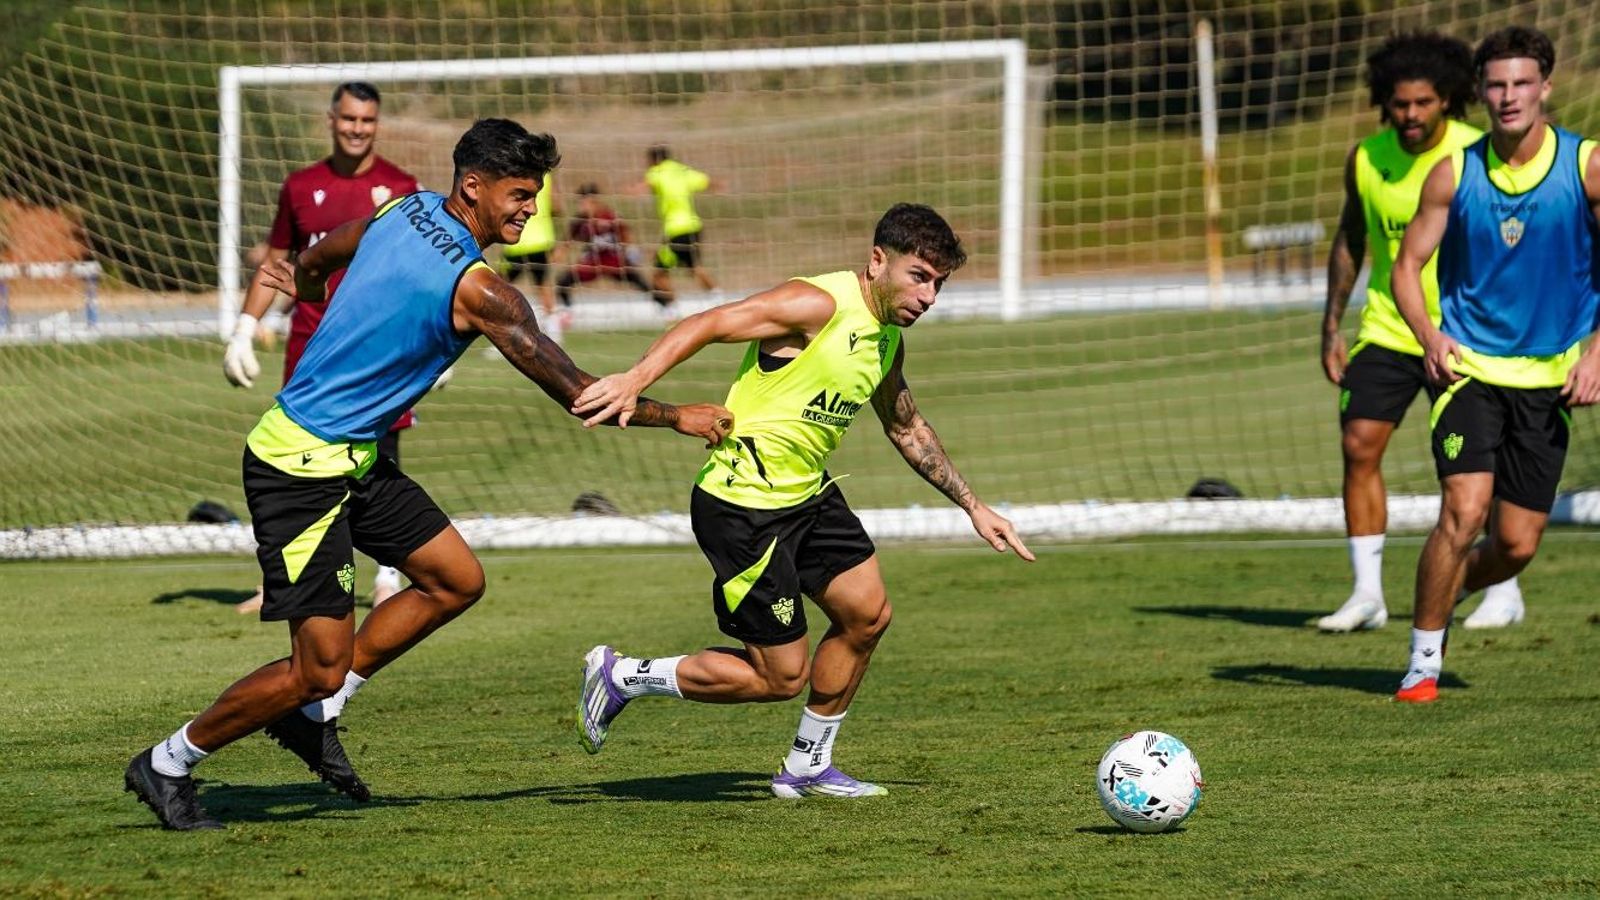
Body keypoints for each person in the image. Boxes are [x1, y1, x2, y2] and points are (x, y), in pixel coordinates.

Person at [125, 119, 732, 829]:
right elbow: (578, 395)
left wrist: (312, 282)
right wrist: (676, 416)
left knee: (455, 580)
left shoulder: (405, 207)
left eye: (534, 197)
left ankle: (320, 711)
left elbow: (327, 249)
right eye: (518, 195)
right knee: (310, 665)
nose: (529, 210)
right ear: (472, 186)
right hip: (299, 469)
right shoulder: (485, 294)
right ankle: (168, 761)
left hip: (357, 460)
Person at [571, 203, 1034, 798]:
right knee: (778, 677)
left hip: (809, 495)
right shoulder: (817, 306)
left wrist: (973, 506)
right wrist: (635, 381)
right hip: (742, 507)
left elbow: (906, 426)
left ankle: (808, 765)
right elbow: (713, 320)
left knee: (867, 615)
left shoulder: (886, 340)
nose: (930, 296)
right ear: (877, 262)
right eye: (920, 276)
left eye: (939, 283)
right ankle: (623, 675)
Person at [1390, 26, 1600, 703]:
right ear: (1478, 92)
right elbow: (1405, 266)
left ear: (1545, 86)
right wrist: (1428, 334)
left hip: (1548, 382)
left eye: (1521, 83)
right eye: (1496, 84)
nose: (1509, 97)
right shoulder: (1454, 173)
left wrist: (1596, 350)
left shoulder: (1587, 166)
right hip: (1469, 374)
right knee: (1464, 507)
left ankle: (1446, 593)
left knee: (1514, 546)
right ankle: (1423, 663)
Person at [1315, 34, 1528, 633]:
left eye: (1423, 102)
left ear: (1450, 100)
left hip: (1466, 330)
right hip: (1387, 324)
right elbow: (1350, 239)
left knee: (1476, 469)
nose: (1410, 114)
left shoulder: (1480, 152)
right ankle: (1366, 594)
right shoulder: (1366, 157)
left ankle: (1502, 589)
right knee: (1359, 443)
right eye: (1400, 103)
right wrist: (1331, 324)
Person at [226, 82, 421, 612]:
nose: (358, 129)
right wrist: (245, 327)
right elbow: (277, 262)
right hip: (310, 348)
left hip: (378, 350)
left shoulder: (401, 187)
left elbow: (415, 271)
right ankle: (280, 579)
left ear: (376, 124)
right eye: (349, 119)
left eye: (368, 121)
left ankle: (388, 576)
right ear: (331, 119)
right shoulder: (300, 186)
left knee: (383, 453)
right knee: (293, 459)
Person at [628, 144, 719, 309]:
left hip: (675, 229)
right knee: (694, 267)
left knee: (659, 272)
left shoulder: (657, 171)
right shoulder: (682, 170)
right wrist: (719, 186)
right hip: (693, 226)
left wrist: (633, 190)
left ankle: (673, 308)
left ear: (654, 160)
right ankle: (717, 297)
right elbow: (706, 181)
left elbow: (646, 184)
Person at [552, 183, 660, 312]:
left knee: (639, 280)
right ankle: (567, 310)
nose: (581, 206)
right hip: (593, 261)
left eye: (583, 203)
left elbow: (625, 233)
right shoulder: (580, 222)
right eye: (580, 203)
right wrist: (559, 253)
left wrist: (631, 249)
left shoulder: (609, 216)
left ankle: (664, 306)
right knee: (564, 280)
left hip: (613, 260)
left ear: (593, 201)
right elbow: (567, 239)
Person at [503, 172, 565, 344]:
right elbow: (557, 206)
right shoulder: (545, 176)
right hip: (541, 240)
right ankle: (554, 333)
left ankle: (504, 333)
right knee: (544, 286)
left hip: (516, 241)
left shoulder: (512, 175)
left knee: (501, 287)